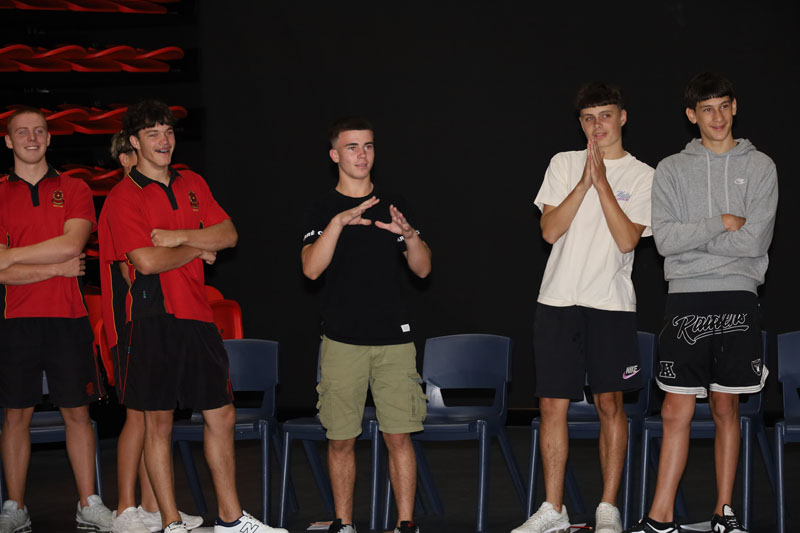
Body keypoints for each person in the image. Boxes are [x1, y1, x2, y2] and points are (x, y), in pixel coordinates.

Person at [98, 100, 287, 533]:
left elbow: (229, 234)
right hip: (149, 317)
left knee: (222, 413)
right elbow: (146, 262)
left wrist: (179, 237)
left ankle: (230, 519)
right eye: (152, 134)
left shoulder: (193, 182)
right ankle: (170, 522)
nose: (163, 140)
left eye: (168, 131)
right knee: (158, 421)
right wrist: (198, 248)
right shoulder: (124, 196)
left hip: (197, 315)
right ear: (134, 142)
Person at [626, 73, 777, 533]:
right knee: (675, 409)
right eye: (707, 109)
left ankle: (723, 513)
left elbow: (755, 242)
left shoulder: (761, 166)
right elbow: (666, 242)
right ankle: (660, 518)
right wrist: (721, 222)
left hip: (738, 294)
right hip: (685, 297)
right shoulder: (671, 169)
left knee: (725, 407)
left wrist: (697, 244)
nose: (717, 116)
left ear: (735, 107)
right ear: (692, 115)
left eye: (723, 106)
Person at [513, 83, 654, 533]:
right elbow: (549, 230)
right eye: (589, 118)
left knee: (610, 403)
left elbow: (628, 239)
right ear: (580, 124)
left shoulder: (643, 174)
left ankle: (608, 507)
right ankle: (553, 508)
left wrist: (604, 183)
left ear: (622, 117)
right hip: (557, 300)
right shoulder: (563, 163)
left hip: (610, 304)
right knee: (551, 405)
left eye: (605, 115)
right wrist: (584, 182)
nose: (598, 125)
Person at [301, 117, 432, 533]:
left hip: (395, 341)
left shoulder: (394, 203)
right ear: (334, 155)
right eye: (352, 147)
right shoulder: (322, 208)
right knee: (341, 439)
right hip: (342, 341)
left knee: (399, 436)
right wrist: (338, 223)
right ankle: (343, 523)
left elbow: (423, 269)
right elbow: (311, 269)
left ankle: (405, 523)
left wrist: (410, 235)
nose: (362, 154)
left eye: (368, 146)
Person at [0, 107, 113, 532]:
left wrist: (11, 256)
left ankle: (89, 503)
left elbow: (72, 245)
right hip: (15, 320)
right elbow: (1, 272)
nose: (31, 138)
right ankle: (15, 507)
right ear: (8, 141)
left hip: (69, 317)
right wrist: (55, 268)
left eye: (39, 131)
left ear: (49, 138)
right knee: (15, 417)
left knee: (77, 413)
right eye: (22, 132)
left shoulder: (75, 187)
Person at [105, 132, 203, 533]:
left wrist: (178, 250)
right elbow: (136, 270)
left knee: (153, 417)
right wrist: (195, 249)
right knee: (137, 416)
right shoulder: (122, 201)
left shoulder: (153, 200)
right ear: (127, 157)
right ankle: (124, 508)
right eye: (136, 153)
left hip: (154, 319)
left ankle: (152, 506)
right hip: (129, 322)